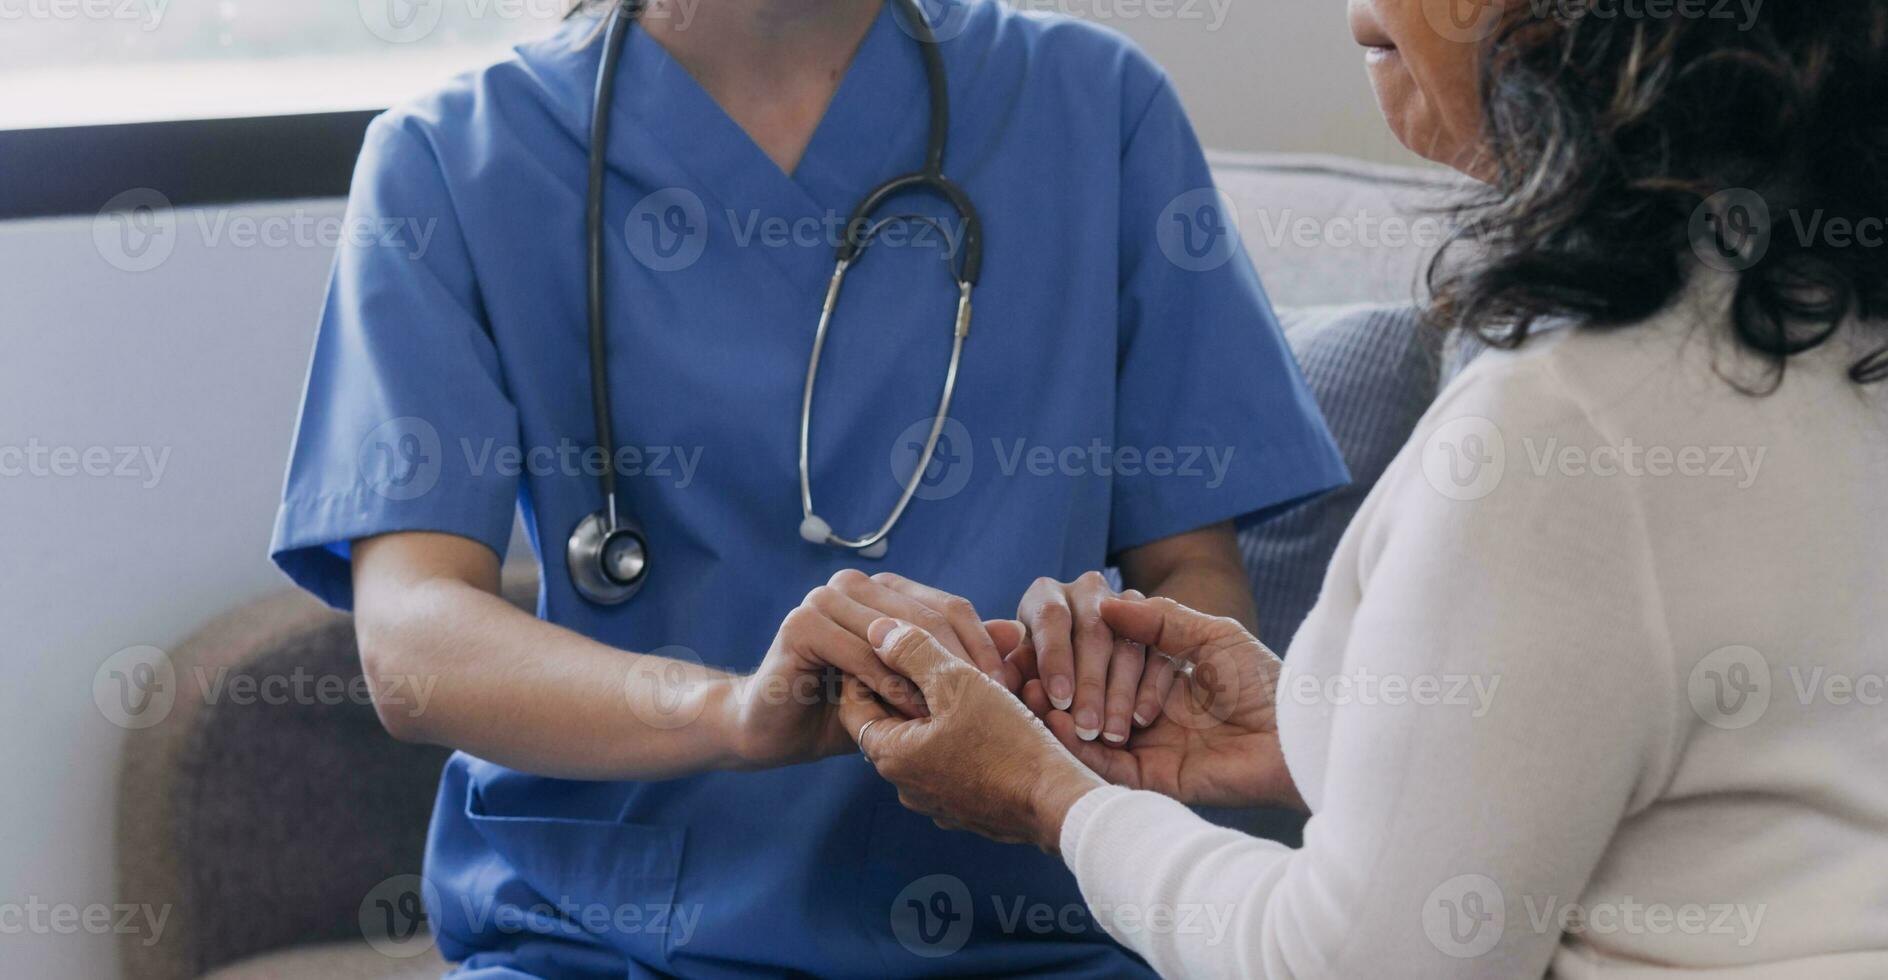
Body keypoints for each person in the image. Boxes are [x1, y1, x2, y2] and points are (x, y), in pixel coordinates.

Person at [268, 0, 1346, 974]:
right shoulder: (450, 158)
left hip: (1047, 915)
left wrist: (1117, 659)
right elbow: (409, 641)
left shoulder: (1095, 107)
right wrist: (733, 713)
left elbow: (1191, 575)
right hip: (613, 939)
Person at [842, 0, 1888, 976]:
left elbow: (1344, 963)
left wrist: (1047, 794)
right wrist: (1324, 730)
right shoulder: (1813, 330)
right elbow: (1714, 790)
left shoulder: (1561, 435)